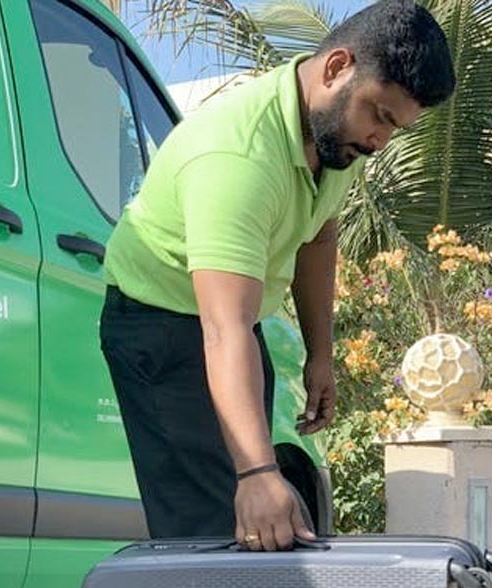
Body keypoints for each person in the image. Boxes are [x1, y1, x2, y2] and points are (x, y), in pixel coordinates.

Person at [99, 0, 456, 552]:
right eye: (380, 115)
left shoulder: (337, 139)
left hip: (235, 325)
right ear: (336, 67)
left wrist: (321, 354)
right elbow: (223, 330)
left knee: (259, 531)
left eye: (396, 127)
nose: (380, 141)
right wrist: (256, 475)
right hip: (161, 323)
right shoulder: (237, 157)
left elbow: (318, 233)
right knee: (211, 527)